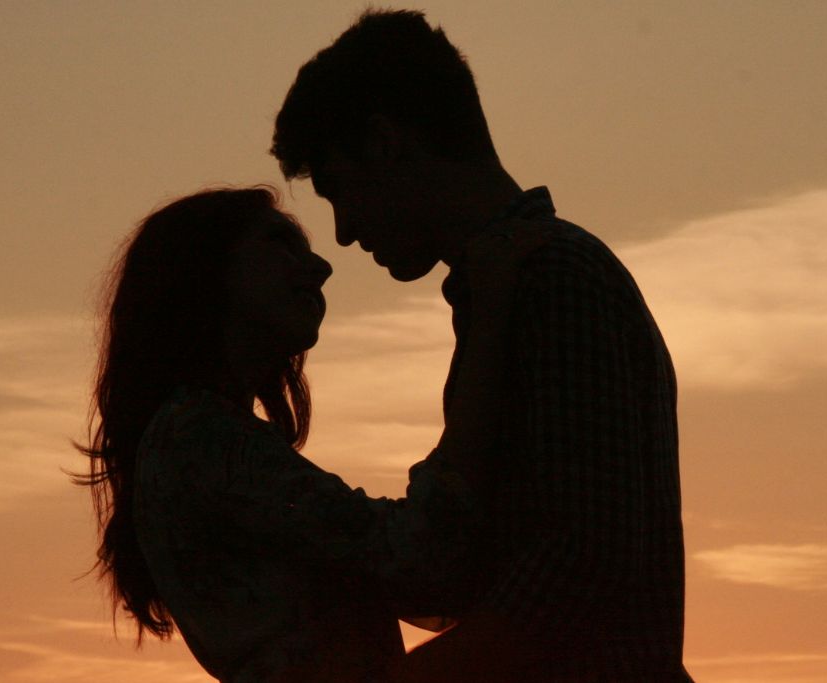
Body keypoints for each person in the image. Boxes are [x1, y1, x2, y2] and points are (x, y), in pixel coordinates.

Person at [272, 9, 693, 682]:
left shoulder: (555, 280)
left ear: (385, 143)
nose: (344, 231)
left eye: (338, 191)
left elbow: (574, 570)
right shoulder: (510, 292)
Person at [75, 186, 537, 683]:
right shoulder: (198, 436)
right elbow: (419, 557)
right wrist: (488, 323)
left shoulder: (193, 436)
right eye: (280, 244)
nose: (321, 268)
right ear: (206, 273)